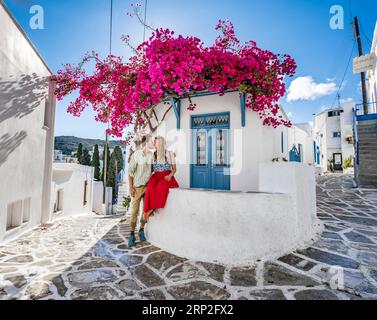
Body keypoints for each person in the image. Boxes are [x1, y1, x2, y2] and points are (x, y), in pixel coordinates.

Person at [127, 134, 154, 247]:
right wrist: (131, 187)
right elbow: (130, 172)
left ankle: (141, 230)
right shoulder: (136, 155)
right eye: (151, 141)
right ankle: (132, 234)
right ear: (146, 142)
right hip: (137, 187)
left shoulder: (152, 155)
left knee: (146, 210)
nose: (153, 143)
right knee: (134, 211)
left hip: (148, 186)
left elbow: (154, 169)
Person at [144, 136, 179, 220]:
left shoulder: (170, 153)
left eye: (155, 142)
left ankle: (152, 209)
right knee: (149, 187)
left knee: (161, 186)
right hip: (155, 175)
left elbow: (174, 169)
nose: (154, 143)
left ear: (160, 143)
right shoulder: (153, 154)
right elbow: (151, 167)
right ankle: (147, 209)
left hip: (166, 175)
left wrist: (170, 176)